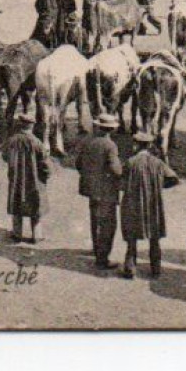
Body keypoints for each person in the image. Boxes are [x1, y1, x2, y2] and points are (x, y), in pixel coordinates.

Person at [119, 130, 179, 279]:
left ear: (136, 145)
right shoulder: (158, 163)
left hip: (133, 204)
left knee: (132, 239)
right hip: (153, 204)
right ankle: (155, 269)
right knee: (154, 238)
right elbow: (174, 178)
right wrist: (159, 186)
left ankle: (130, 268)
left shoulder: (130, 162)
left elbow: (120, 180)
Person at [76, 113, 123, 269]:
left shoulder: (87, 141)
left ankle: (96, 249)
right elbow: (116, 170)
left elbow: (78, 163)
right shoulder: (110, 146)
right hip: (106, 191)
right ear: (111, 130)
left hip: (90, 188)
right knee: (108, 225)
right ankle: (102, 258)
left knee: (95, 220)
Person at [4, 106, 50, 243]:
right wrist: (46, 175)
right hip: (34, 180)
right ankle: (37, 235)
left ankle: (17, 234)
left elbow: (5, 156)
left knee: (16, 204)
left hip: (17, 178)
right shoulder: (37, 142)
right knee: (35, 205)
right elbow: (45, 164)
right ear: (32, 126)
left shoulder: (12, 140)